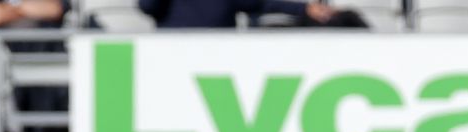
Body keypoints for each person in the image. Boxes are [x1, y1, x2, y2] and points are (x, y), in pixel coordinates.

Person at [137, 0, 366, 28]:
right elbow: (147, 6)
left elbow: (260, 3)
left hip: (215, 53)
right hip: (170, 49)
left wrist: (304, 9)